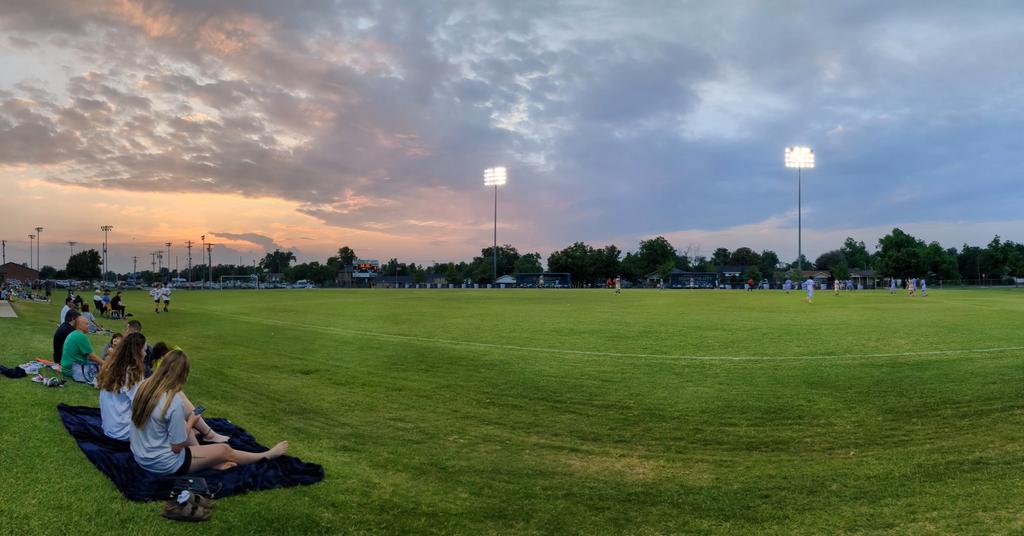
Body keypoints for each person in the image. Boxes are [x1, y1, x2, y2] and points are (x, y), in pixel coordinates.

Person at [130, 350, 285, 476]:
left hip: (141, 455)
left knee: (184, 427)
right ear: (183, 375)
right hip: (162, 463)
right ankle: (266, 456)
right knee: (225, 450)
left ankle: (212, 462)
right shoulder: (173, 403)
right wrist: (191, 422)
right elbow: (177, 448)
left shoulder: (143, 387)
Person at [61, 314, 104, 385]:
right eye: (87, 324)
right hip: (73, 369)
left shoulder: (73, 334)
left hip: (65, 368)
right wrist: (107, 365)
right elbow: (92, 356)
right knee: (103, 369)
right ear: (79, 326)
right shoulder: (81, 336)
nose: (89, 326)